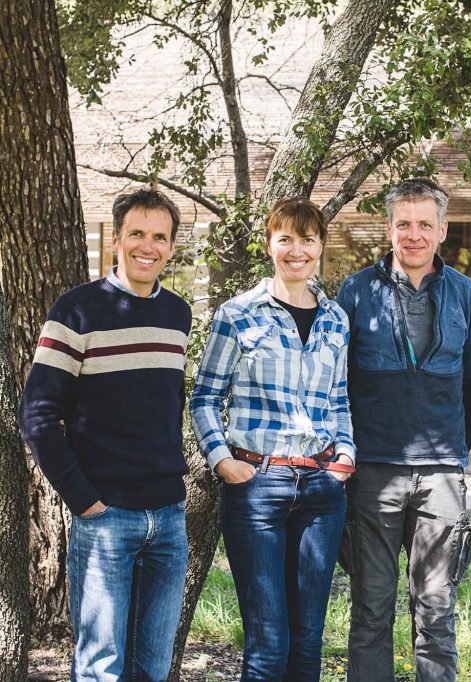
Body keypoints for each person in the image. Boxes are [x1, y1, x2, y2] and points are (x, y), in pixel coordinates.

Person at [19, 188, 191, 682]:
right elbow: (36, 415)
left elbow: (163, 406)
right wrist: (85, 500)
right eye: (137, 233)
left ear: (172, 248)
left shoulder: (177, 315)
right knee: (99, 669)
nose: (148, 245)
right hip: (105, 518)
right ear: (115, 238)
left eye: (160, 237)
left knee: (153, 669)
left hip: (168, 517)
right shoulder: (76, 311)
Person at [190, 198, 355, 682]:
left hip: (322, 491)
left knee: (308, 642)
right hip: (256, 486)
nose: (296, 250)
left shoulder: (336, 320)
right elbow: (203, 398)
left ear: (321, 246)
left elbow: (340, 399)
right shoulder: (238, 315)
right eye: (286, 238)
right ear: (269, 245)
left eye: (307, 239)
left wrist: (345, 453)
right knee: (267, 644)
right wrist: (223, 461)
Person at [335, 178, 471, 682]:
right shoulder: (356, 292)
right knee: (371, 612)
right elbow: (341, 382)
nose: (414, 234)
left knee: (437, 612)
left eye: (425, 224)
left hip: (442, 472)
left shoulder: (465, 294)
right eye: (404, 224)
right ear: (389, 228)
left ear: (442, 230)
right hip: (374, 472)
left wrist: (451, 450)